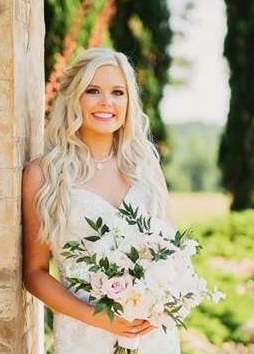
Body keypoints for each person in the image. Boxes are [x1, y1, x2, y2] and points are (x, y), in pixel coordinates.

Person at [21, 48, 180, 353]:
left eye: (117, 92)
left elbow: (170, 254)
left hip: (152, 336)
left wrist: (160, 300)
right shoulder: (43, 175)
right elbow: (35, 273)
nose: (107, 101)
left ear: (129, 102)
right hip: (85, 336)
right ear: (74, 97)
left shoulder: (145, 166)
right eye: (93, 90)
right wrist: (100, 318)